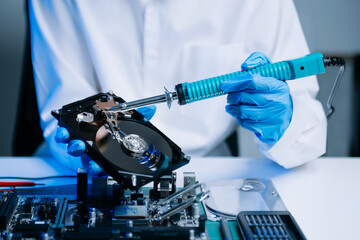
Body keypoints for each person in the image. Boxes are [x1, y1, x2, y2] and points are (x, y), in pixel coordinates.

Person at [29, 0, 327, 171]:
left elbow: (307, 124)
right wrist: (87, 145)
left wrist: (285, 120)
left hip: (206, 169)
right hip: (78, 170)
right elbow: (64, 107)